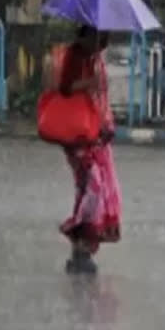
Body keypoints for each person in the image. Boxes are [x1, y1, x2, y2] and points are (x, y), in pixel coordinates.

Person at [51, 25, 122, 274]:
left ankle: (83, 249)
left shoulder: (94, 59)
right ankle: (80, 246)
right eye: (100, 40)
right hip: (78, 135)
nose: (102, 46)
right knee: (91, 188)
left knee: (93, 192)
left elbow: (99, 98)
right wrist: (89, 83)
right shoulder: (75, 55)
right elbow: (65, 87)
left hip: (94, 134)